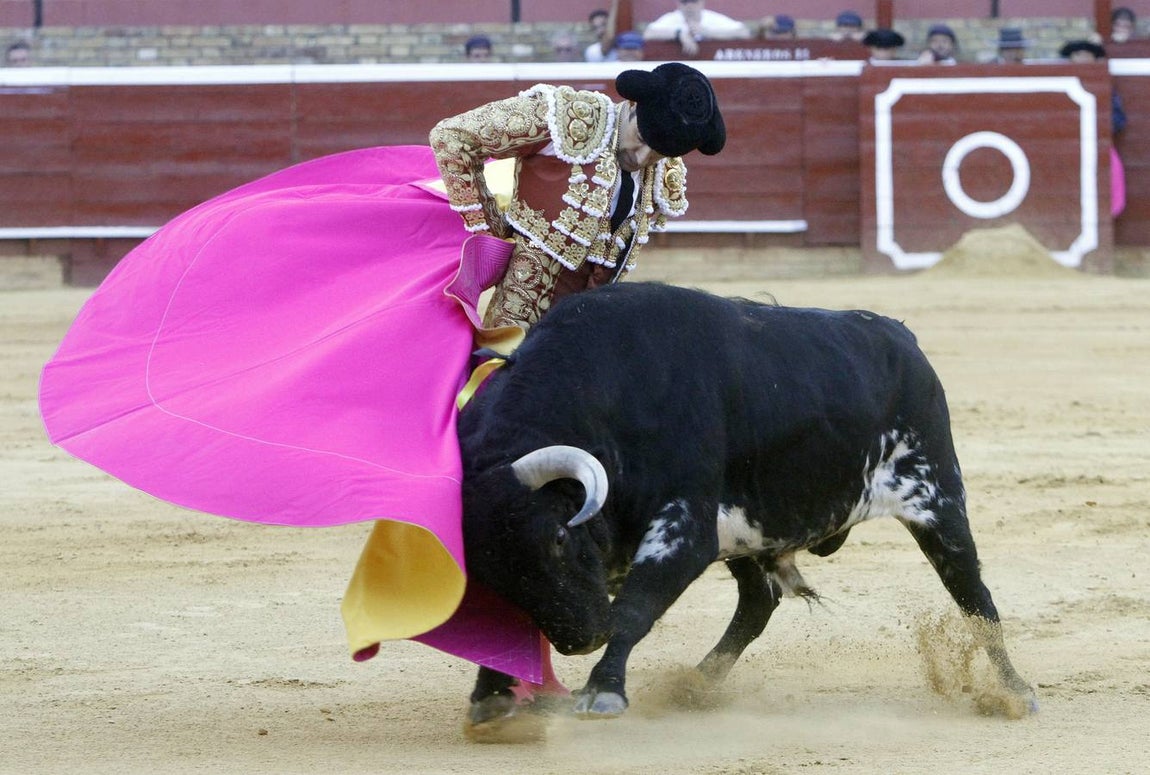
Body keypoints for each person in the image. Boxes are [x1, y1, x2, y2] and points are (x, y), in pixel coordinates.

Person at [427, 63, 724, 330]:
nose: (642, 157)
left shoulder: (664, 171)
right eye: (643, 139)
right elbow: (452, 137)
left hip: (588, 327)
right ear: (633, 103)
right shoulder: (566, 118)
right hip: (519, 318)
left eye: (659, 154)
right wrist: (490, 232)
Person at [1059, 39, 1127, 217]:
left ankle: (1108, 216)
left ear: (1093, 59)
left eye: (1086, 55)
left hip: (1098, 143)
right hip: (1067, 145)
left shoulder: (1105, 86)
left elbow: (1119, 120)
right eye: (1077, 55)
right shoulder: (1060, 82)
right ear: (1071, 59)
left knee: (1113, 169)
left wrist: (1100, 128)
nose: (1081, 59)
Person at [642, 0, 751, 58]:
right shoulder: (671, 18)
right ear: (678, 3)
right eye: (684, 1)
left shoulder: (713, 18)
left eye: (693, 1)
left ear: (702, 2)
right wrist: (679, 35)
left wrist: (708, 32)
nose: (689, 5)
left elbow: (744, 32)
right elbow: (647, 34)